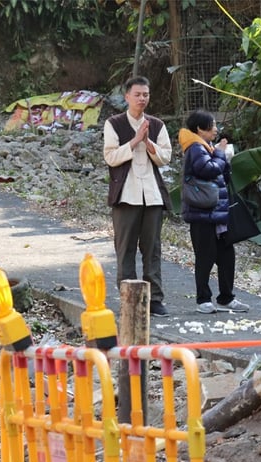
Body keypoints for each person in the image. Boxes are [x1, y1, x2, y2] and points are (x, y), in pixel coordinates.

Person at [103, 76, 173, 317]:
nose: (142, 99)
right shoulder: (114, 123)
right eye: (138, 95)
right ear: (127, 97)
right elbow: (110, 157)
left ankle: (155, 299)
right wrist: (134, 141)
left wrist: (148, 142)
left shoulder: (157, 125)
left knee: (152, 248)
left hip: (152, 196)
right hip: (126, 195)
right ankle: (129, 300)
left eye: (146, 95)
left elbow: (166, 157)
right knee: (125, 249)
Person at [178, 110, 249, 314]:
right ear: (200, 129)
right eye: (212, 124)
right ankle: (203, 300)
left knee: (227, 255)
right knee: (205, 257)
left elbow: (220, 176)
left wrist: (225, 160)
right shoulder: (194, 148)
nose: (216, 128)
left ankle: (226, 297)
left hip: (217, 213)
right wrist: (220, 153)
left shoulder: (206, 147)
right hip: (202, 214)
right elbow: (207, 170)